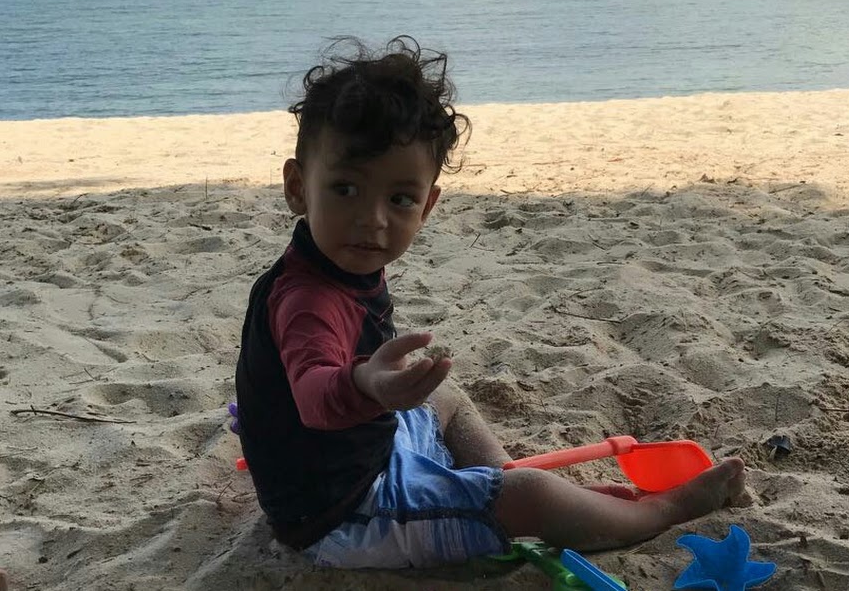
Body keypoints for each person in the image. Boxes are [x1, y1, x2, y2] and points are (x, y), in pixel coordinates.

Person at [235, 36, 745, 569]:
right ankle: (661, 511)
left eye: (400, 198)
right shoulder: (307, 299)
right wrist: (367, 384)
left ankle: (496, 482)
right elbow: (315, 394)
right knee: (534, 498)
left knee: (446, 400)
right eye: (345, 189)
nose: (373, 219)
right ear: (298, 187)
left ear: (427, 205)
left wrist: (376, 390)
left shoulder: (336, 259)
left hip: (366, 455)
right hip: (341, 516)